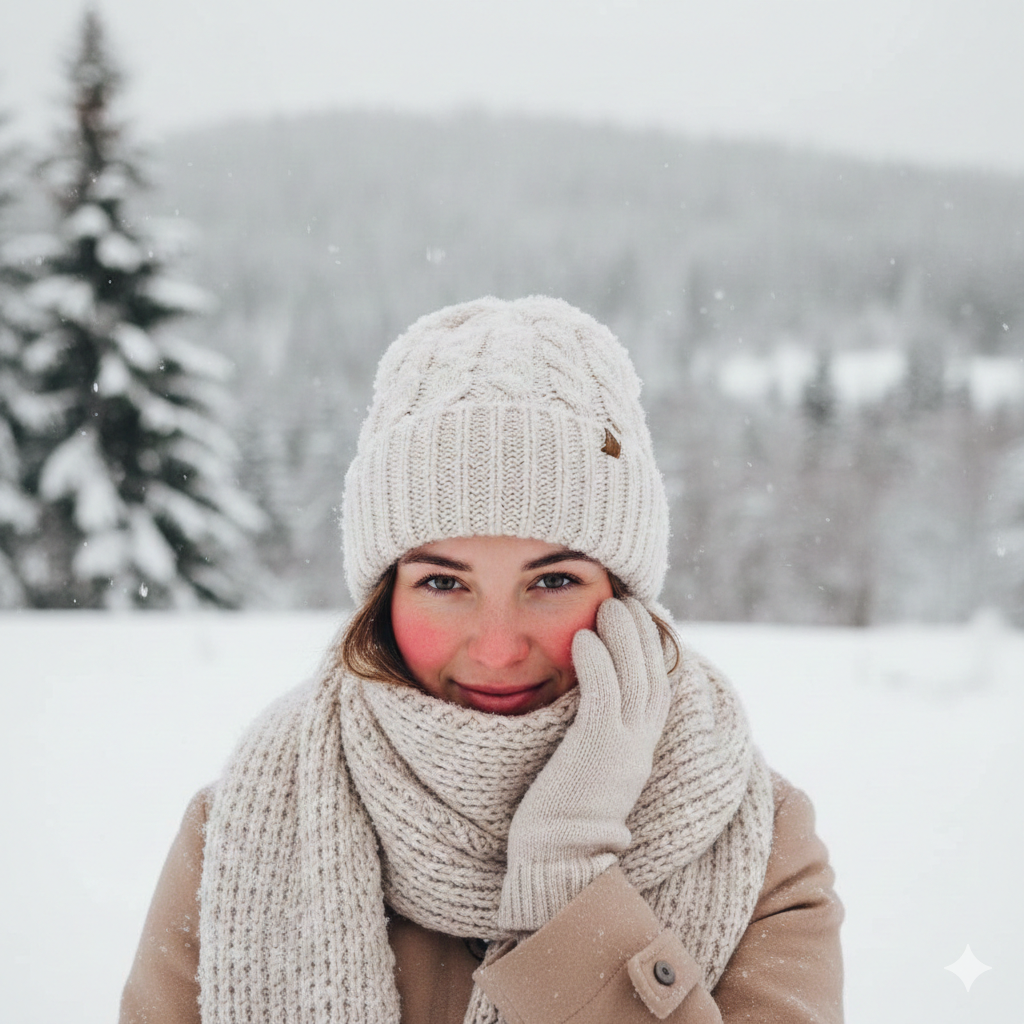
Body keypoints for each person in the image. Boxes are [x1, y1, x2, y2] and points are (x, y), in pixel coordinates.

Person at [120, 296, 844, 1024]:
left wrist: (569, 885)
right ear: (384, 599)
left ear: (624, 597)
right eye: (443, 582)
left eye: (553, 581)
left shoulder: (759, 843)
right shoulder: (239, 830)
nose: (497, 647)